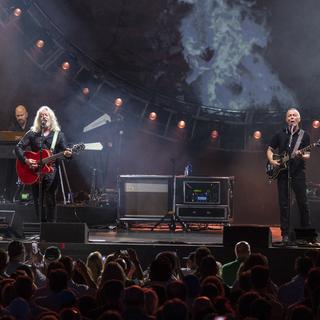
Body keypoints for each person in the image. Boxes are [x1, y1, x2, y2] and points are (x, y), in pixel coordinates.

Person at [15, 106, 72, 222]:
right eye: (41, 115)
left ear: (51, 117)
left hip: (52, 172)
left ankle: (51, 228)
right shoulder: (32, 133)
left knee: (51, 199)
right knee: (37, 200)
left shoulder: (58, 135)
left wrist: (68, 154)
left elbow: (66, 150)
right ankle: (41, 227)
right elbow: (18, 147)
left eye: (45, 115)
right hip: (35, 171)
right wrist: (26, 160)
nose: (43, 117)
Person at [266, 108, 311, 243]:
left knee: (303, 203)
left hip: (298, 173)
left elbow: (308, 154)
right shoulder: (280, 134)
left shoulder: (305, 135)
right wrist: (272, 160)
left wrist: (302, 155)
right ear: (286, 119)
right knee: (284, 204)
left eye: (294, 115)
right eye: (289, 115)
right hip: (283, 174)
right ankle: (285, 234)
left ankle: (306, 235)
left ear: (299, 119)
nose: (292, 117)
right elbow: (269, 149)